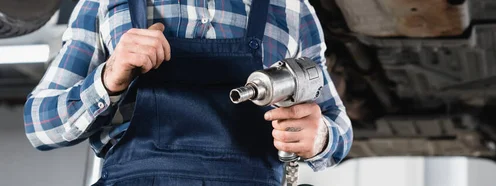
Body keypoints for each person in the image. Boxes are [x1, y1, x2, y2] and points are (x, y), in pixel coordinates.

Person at [23, 0, 352, 185]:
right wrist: (108, 78)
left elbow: (338, 128)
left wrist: (319, 136)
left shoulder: (293, 8)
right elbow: (41, 125)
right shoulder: (106, 3)